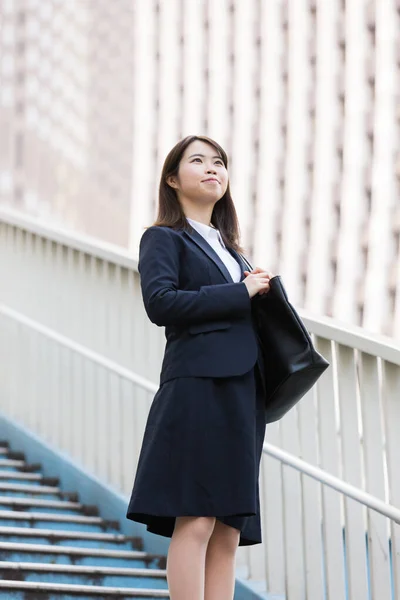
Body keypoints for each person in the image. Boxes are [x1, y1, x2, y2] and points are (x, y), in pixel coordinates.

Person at [126, 134, 273, 600]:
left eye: (219, 163)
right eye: (198, 161)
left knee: (229, 529)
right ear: (173, 178)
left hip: (243, 394)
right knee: (198, 517)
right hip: (199, 388)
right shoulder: (164, 238)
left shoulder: (235, 253)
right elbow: (162, 302)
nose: (213, 169)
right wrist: (241, 293)